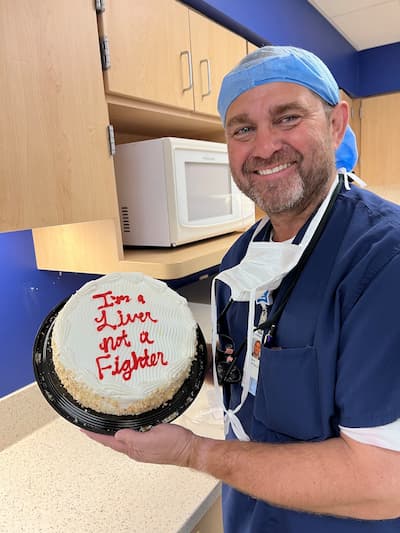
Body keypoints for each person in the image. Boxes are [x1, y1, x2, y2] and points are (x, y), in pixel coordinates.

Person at [84, 46, 400, 532]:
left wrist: (193, 451)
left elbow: (382, 481)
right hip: (252, 515)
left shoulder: (382, 262)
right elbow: (251, 364)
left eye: (287, 117)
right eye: (243, 129)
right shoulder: (243, 257)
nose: (265, 146)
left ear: (337, 124)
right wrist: (151, 361)